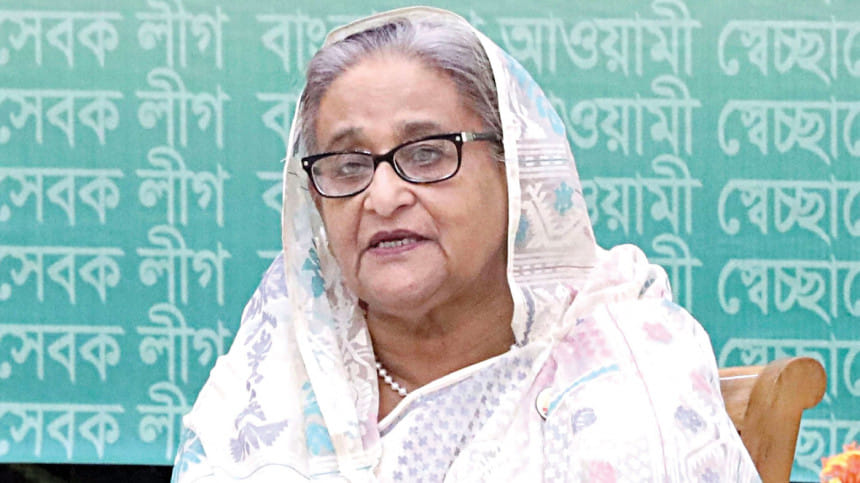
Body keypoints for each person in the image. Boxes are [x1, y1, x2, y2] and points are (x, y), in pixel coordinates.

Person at [172, 7, 760, 482]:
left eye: (428, 153)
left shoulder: (626, 363)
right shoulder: (277, 361)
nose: (382, 197)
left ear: (516, 174)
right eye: (348, 165)